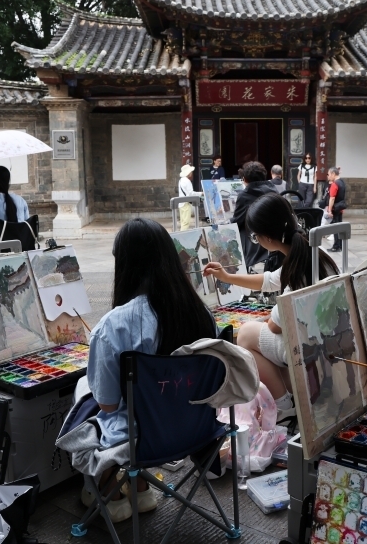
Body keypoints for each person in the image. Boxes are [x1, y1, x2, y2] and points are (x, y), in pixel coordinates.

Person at [87, 218, 220, 522]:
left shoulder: (112, 326)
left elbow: (107, 404)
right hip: (198, 431)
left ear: (125, 265)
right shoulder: (202, 314)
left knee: (86, 400)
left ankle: (112, 489)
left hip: (144, 440)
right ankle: (140, 485)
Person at [203, 194, 338, 421]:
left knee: (246, 334)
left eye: (254, 237)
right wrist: (227, 276)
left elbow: (275, 326)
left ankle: (282, 404)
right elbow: (269, 280)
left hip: (311, 348)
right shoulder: (309, 253)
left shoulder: (299, 268)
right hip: (323, 342)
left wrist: (264, 322)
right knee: (260, 334)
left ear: (266, 237)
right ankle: (291, 395)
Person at [231, 161, 277, 267]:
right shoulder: (273, 190)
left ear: (245, 179)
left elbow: (237, 221)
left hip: (253, 241)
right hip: (272, 237)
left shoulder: (245, 195)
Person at [321, 167, 347, 252]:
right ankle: (340, 245)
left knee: (335, 227)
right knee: (340, 227)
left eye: (328, 174)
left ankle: (336, 246)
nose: (328, 176)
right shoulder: (342, 182)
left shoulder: (335, 184)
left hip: (335, 208)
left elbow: (332, 198)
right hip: (340, 207)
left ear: (333, 174)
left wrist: (330, 210)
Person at [177, 164, 203, 231]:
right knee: (186, 223)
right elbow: (191, 193)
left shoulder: (181, 180)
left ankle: (181, 236)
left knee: (183, 222)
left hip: (181, 203)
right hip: (186, 203)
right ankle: (182, 237)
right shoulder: (187, 181)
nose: (191, 173)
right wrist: (201, 193)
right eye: (190, 172)